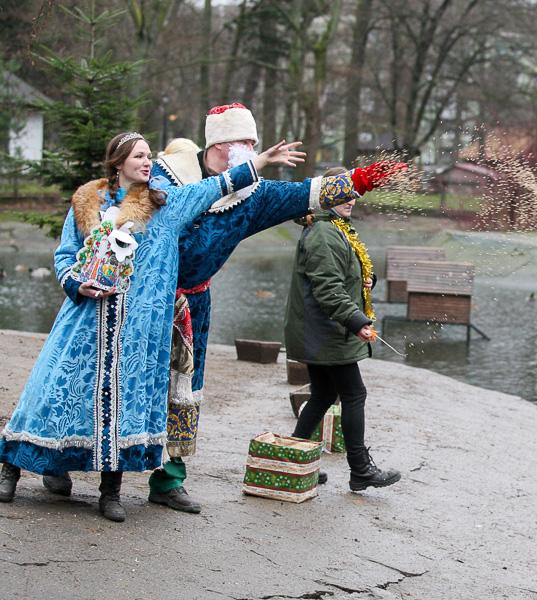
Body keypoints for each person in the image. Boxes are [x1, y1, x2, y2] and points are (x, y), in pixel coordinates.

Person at [0, 131, 302, 521]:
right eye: (139, 156)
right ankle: (10, 468)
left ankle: (111, 492)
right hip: (83, 321)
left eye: (148, 155)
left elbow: (218, 185)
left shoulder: (167, 204)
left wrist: (260, 162)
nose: (148, 162)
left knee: (122, 406)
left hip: (137, 329)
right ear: (118, 162)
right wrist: (76, 283)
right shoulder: (87, 201)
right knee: (53, 391)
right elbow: (65, 255)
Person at [138, 103, 405, 513]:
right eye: (245, 142)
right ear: (221, 145)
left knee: (185, 391)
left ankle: (169, 480)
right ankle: (80, 460)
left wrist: (367, 178)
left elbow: (309, 193)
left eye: (254, 143)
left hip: (196, 301)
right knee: (126, 380)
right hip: (147, 295)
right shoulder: (167, 175)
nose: (253, 148)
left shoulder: (253, 196)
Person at [285, 171, 401, 491]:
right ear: (324, 197)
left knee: (323, 394)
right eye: (342, 194)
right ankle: (361, 469)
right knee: (354, 393)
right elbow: (326, 291)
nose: (350, 199)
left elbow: (342, 275)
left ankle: (295, 459)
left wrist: (368, 281)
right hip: (326, 331)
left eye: (353, 194)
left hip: (326, 329)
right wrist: (358, 321)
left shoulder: (337, 229)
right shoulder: (323, 232)